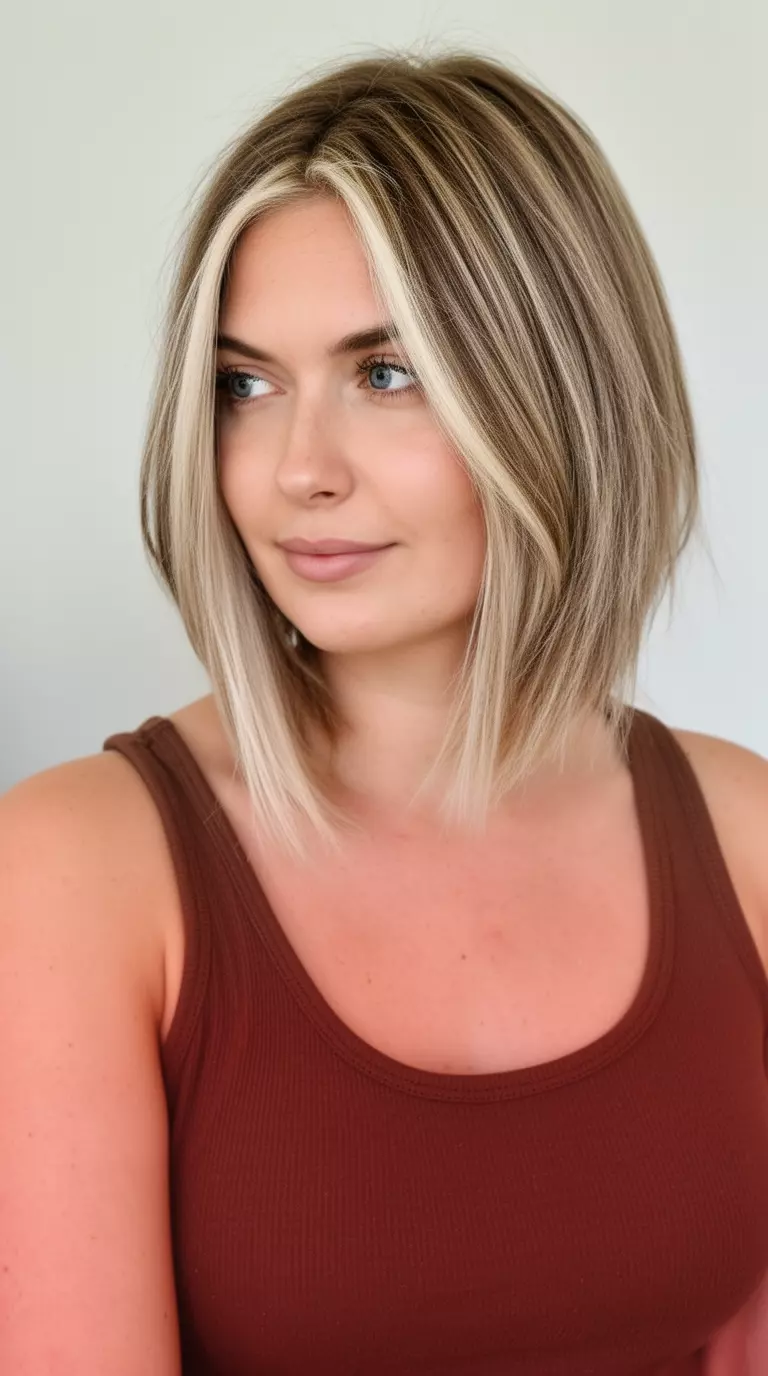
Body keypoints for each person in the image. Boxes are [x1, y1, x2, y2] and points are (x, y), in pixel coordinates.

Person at [1, 46, 767, 1376]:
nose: (297, 469)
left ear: (561, 394)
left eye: (386, 372)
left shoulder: (748, 842)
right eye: (245, 384)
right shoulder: (75, 874)